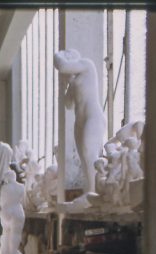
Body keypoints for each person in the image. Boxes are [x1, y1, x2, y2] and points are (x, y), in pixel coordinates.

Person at [53, 49, 107, 194]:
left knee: (90, 153)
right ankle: (90, 191)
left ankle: (94, 191)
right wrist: (66, 85)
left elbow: (62, 65)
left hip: (93, 117)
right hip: (80, 121)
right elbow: (68, 104)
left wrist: (57, 55)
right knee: (84, 158)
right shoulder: (74, 83)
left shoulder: (87, 66)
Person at [0, 170, 26, 254]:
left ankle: (6, 251)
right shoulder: (21, 187)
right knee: (16, 232)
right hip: (17, 209)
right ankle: (12, 252)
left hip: (6, 210)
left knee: (6, 231)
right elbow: (23, 201)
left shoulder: (4, 188)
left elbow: (1, 202)